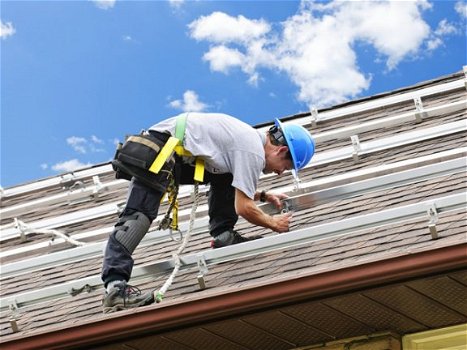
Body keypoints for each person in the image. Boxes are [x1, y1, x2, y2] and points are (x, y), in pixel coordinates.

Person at [101, 112, 315, 313]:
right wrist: (274, 223)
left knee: (226, 176)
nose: (279, 173)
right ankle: (115, 289)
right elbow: (244, 207)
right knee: (137, 218)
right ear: (281, 151)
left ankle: (224, 236)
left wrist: (262, 195)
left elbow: (237, 184)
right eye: (285, 168)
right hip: (161, 150)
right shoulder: (252, 151)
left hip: (173, 151)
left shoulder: (248, 141)